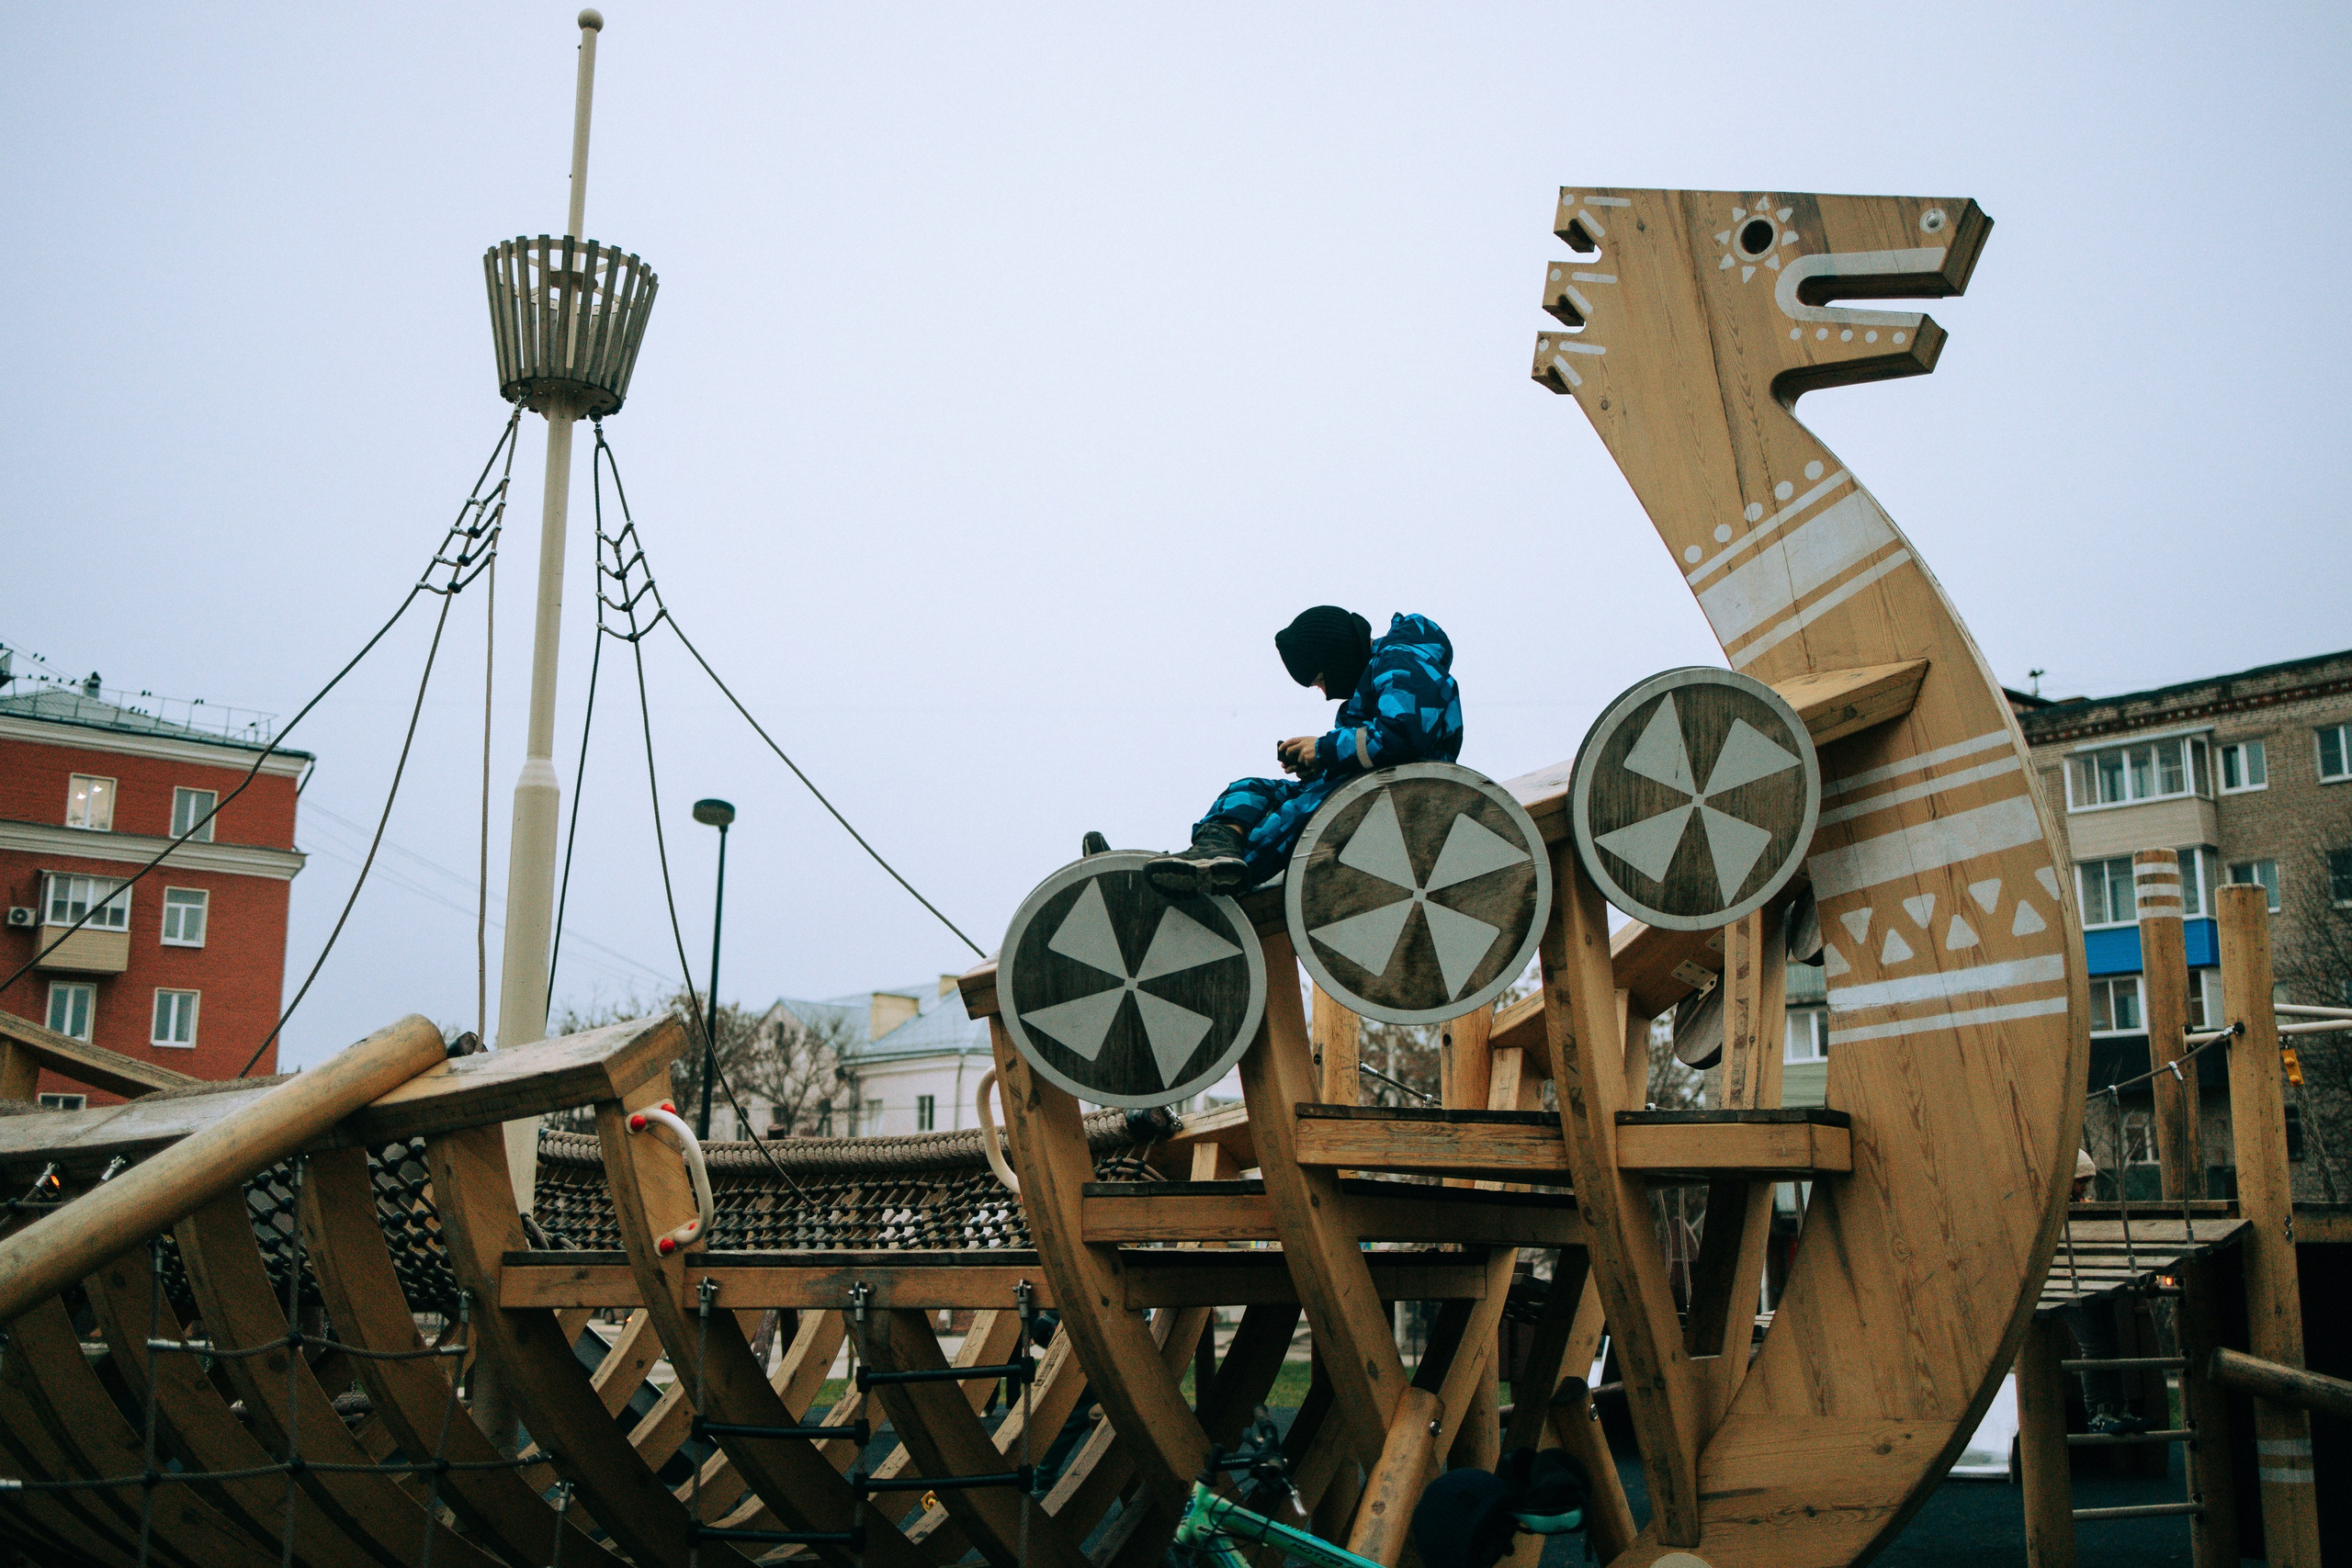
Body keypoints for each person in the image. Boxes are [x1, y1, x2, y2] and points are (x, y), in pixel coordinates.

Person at [1141, 606, 1464, 897]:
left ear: (1337, 657)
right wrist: (1317, 765)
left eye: (1320, 680)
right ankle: (1214, 850)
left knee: (1299, 814)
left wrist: (1323, 749)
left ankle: (1220, 881)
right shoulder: (1378, 674)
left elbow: (1403, 735)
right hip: (1371, 784)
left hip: (1400, 793)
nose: (1325, 694)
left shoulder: (1400, 661)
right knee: (1252, 789)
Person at [2064, 1145, 2148, 1436]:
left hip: (2090, 1276)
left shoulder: (2078, 1204)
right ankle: (2097, 1412)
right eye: (2080, 1181)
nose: (2084, 1188)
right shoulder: (2055, 1208)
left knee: (2111, 1344)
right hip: (2071, 1281)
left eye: (2087, 1181)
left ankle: (2119, 1409)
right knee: (2095, 1348)